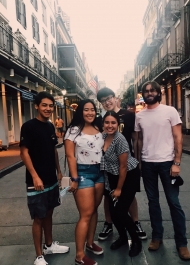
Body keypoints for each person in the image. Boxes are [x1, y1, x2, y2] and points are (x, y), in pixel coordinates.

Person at [135, 81, 190, 261]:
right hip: (148, 163)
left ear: (158, 93)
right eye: (146, 91)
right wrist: (139, 162)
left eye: (153, 90)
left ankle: (181, 243)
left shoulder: (170, 111)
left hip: (167, 163)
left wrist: (177, 162)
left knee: (174, 203)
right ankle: (157, 237)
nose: (150, 93)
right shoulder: (140, 115)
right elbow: (139, 140)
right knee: (153, 202)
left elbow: (178, 137)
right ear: (143, 94)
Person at [20, 92, 69, 265]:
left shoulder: (50, 127)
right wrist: (35, 176)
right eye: (44, 105)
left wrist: (59, 171)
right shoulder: (29, 126)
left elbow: (54, 150)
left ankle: (49, 245)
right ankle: (39, 255)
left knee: (49, 212)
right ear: (36, 106)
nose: (48, 109)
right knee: (38, 217)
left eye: (50, 106)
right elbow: (24, 152)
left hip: (51, 178)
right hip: (37, 181)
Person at [97, 87, 146, 241]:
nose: (107, 102)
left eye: (109, 98)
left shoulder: (130, 116)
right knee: (108, 195)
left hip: (127, 163)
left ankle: (135, 221)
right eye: (103, 101)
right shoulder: (100, 119)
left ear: (115, 97)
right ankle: (108, 223)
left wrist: (139, 161)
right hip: (109, 166)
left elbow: (136, 139)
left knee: (129, 195)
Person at [64, 99, 104, 265]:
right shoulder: (73, 131)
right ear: (80, 111)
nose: (90, 113)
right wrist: (74, 178)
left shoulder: (98, 128)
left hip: (99, 173)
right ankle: (79, 256)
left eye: (92, 109)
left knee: (94, 210)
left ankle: (89, 243)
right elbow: (70, 156)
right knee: (85, 214)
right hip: (82, 173)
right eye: (86, 110)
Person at [101, 111, 142, 257]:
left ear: (118, 124)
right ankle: (123, 238)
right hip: (112, 177)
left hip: (128, 176)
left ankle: (136, 241)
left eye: (113, 123)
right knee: (113, 212)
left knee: (121, 211)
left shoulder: (120, 139)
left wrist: (118, 189)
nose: (110, 125)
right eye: (107, 122)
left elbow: (123, 166)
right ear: (103, 123)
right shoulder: (103, 136)